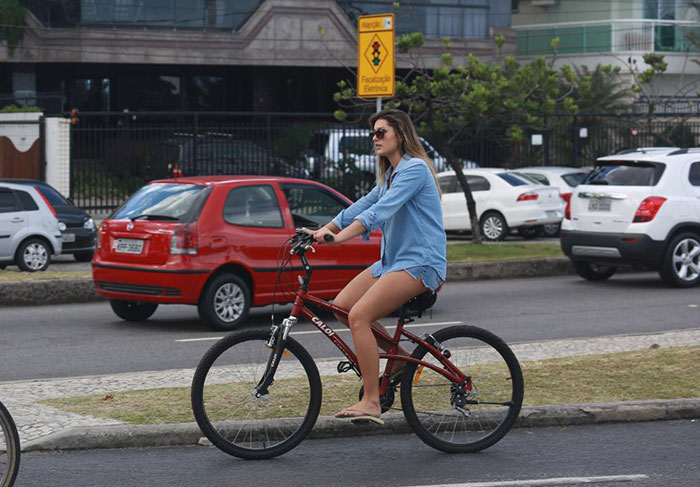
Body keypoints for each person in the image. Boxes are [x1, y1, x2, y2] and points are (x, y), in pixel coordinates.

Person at [305, 108, 447, 424]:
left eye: (381, 132)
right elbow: (362, 206)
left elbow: (380, 212)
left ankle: (371, 401)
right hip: (393, 261)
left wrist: (339, 240)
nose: (375, 138)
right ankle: (399, 361)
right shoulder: (390, 175)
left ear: (401, 133)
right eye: (373, 134)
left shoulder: (414, 170)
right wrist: (321, 230)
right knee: (342, 307)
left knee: (359, 316)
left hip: (420, 263)